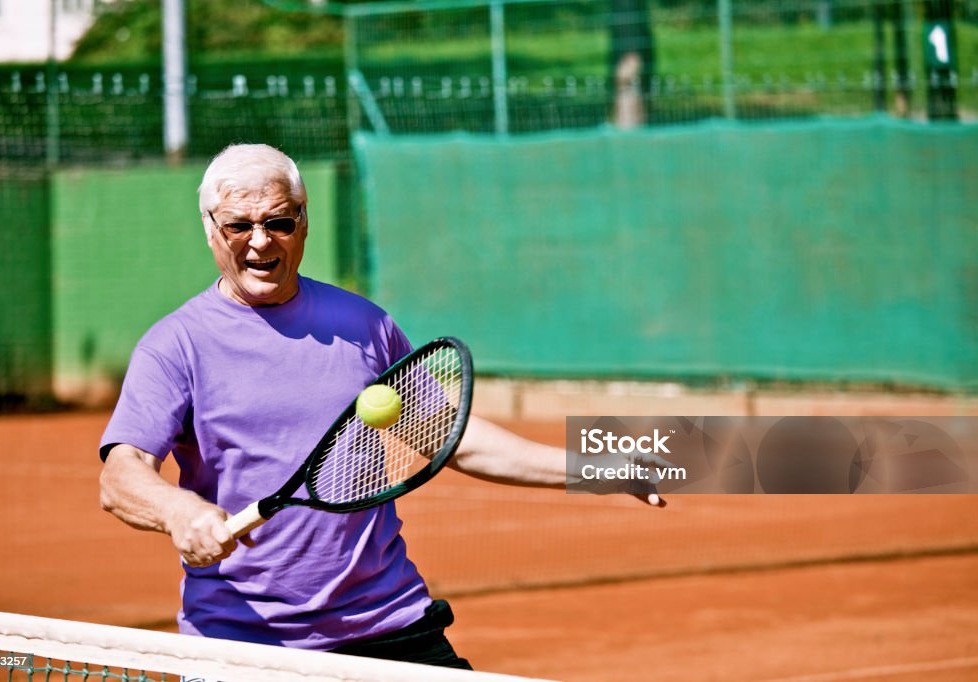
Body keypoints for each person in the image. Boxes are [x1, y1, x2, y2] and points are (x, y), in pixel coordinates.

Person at [98, 143, 662, 669]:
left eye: (278, 222)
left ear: (304, 219)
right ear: (210, 230)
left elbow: (450, 437)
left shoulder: (364, 326)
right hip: (243, 642)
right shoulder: (176, 345)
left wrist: (594, 468)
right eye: (239, 225)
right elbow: (122, 474)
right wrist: (180, 513)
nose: (260, 241)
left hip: (388, 625)